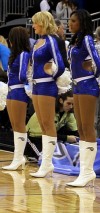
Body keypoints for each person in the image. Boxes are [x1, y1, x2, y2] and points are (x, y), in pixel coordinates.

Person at [65, 10, 100, 187]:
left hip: (87, 85)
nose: (69, 23)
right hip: (77, 85)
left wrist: (92, 75)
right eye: (69, 20)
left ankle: (88, 171)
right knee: (80, 127)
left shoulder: (87, 38)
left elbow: (98, 63)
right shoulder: (75, 40)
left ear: (81, 22)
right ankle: (84, 171)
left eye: (73, 21)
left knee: (87, 127)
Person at [29, 11, 68, 178]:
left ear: (43, 23)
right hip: (36, 86)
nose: (33, 26)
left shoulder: (52, 40)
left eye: (35, 23)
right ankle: (46, 163)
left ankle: (47, 163)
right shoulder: (38, 41)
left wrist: (50, 76)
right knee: (42, 123)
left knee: (48, 123)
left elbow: (60, 64)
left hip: (46, 86)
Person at [2, 27, 31, 171]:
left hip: (20, 90)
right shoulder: (14, 54)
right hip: (11, 91)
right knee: (14, 126)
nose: (9, 41)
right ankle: (17, 157)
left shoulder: (24, 54)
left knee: (19, 125)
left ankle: (19, 157)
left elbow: (23, 75)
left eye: (11, 38)